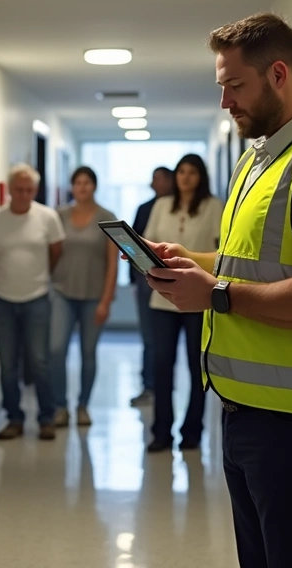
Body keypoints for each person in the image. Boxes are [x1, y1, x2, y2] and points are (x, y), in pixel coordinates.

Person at [143, 12, 292, 568]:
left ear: (279, 75)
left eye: (234, 86)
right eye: (221, 87)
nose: (225, 103)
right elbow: (252, 266)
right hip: (249, 411)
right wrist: (191, 263)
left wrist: (216, 294)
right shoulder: (259, 159)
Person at [142, 154, 223, 453]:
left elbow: (222, 250)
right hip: (161, 299)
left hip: (198, 298)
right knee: (162, 365)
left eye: (192, 172)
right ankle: (161, 432)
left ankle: (193, 431)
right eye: (181, 172)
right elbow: (147, 242)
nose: (186, 177)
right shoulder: (162, 205)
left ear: (201, 176)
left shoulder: (214, 206)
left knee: (196, 366)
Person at [0, 164, 65, 441]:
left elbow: (56, 251)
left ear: (35, 191)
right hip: (2, 300)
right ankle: (14, 418)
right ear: (10, 190)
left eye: (29, 190)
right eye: (19, 190)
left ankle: (46, 417)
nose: (24, 195)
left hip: (37, 298)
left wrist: (41, 277)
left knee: (40, 361)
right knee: (7, 366)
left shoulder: (47, 218)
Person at [48, 166, 118, 428]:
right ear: (72, 186)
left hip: (93, 296)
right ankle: (60, 407)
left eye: (87, 182)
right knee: (56, 350)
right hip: (61, 292)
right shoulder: (59, 215)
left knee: (88, 353)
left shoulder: (107, 217)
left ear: (94, 186)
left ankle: (83, 406)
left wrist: (106, 300)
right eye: (77, 182)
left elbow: (113, 263)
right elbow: (50, 252)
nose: (82, 187)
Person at [128, 166, 173, 407]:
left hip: (174, 279)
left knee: (166, 342)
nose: (152, 183)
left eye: (156, 178)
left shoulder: (180, 209)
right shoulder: (145, 209)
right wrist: (134, 279)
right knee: (149, 338)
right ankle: (149, 386)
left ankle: (164, 385)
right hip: (145, 281)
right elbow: (133, 245)